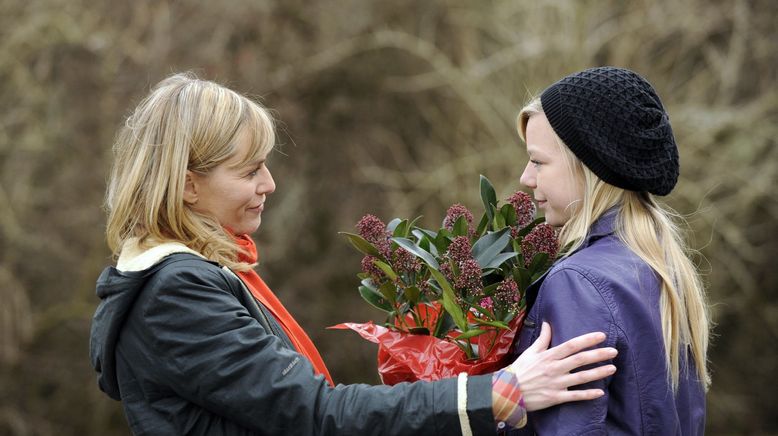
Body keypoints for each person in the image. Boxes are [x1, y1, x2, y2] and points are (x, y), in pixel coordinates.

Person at [89, 72, 618, 435]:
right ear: (186, 186)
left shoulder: (194, 279)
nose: (269, 184)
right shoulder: (176, 294)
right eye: (250, 171)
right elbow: (314, 415)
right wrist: (499, 393)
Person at [509, 66, 710, 435]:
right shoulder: (662, 263)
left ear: (590, 166)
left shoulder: (578, 283)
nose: (526, 177)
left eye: (538, 161)